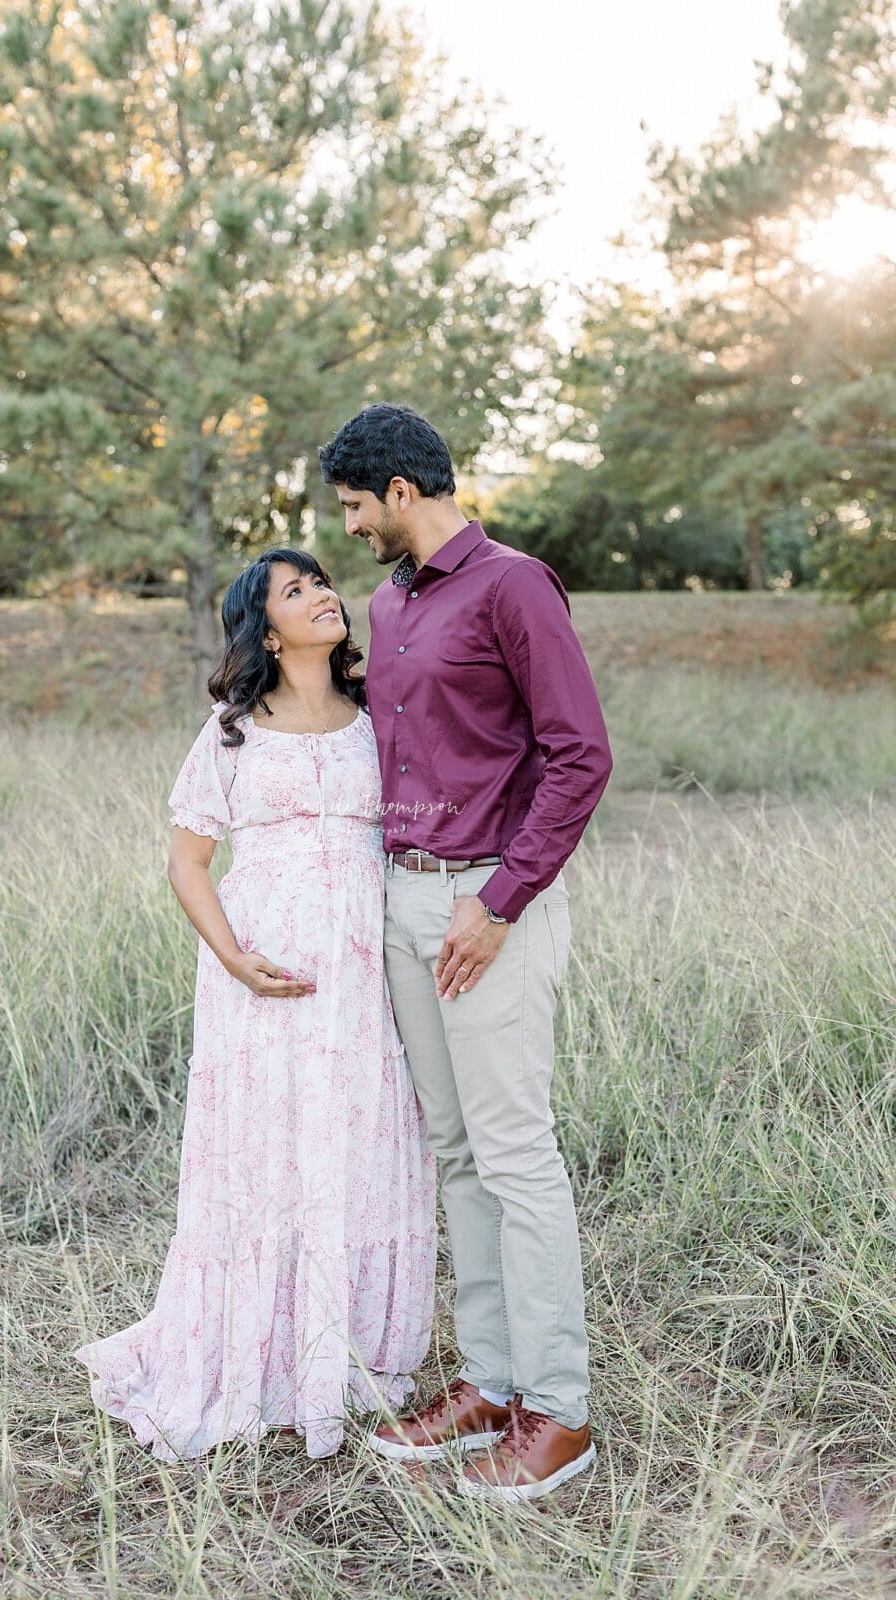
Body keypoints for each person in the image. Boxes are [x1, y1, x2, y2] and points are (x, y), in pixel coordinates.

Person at [73, 547, 437, 1461]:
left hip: (364, 968)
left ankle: (348, 1352)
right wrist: (234, 958)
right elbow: (187, 862)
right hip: (261, 967)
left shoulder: (373, 719)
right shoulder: (232, 730)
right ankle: (254, 1354)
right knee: (268, 1149)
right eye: (297, 589)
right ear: (265, 629)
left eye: (321, 581)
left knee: (357, 1141)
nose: (323, 595)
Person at [318, 403, 613, 1503]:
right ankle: (491, 1381)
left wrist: (497, 902)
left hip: (490, 905)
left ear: (399, 488)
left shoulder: (514, 584)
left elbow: (579, 755)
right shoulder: (389, 607)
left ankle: (559, 1410)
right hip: (402, 900)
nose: (347, 526)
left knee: (515, 1150)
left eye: (353, 503)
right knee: (456, 1148)